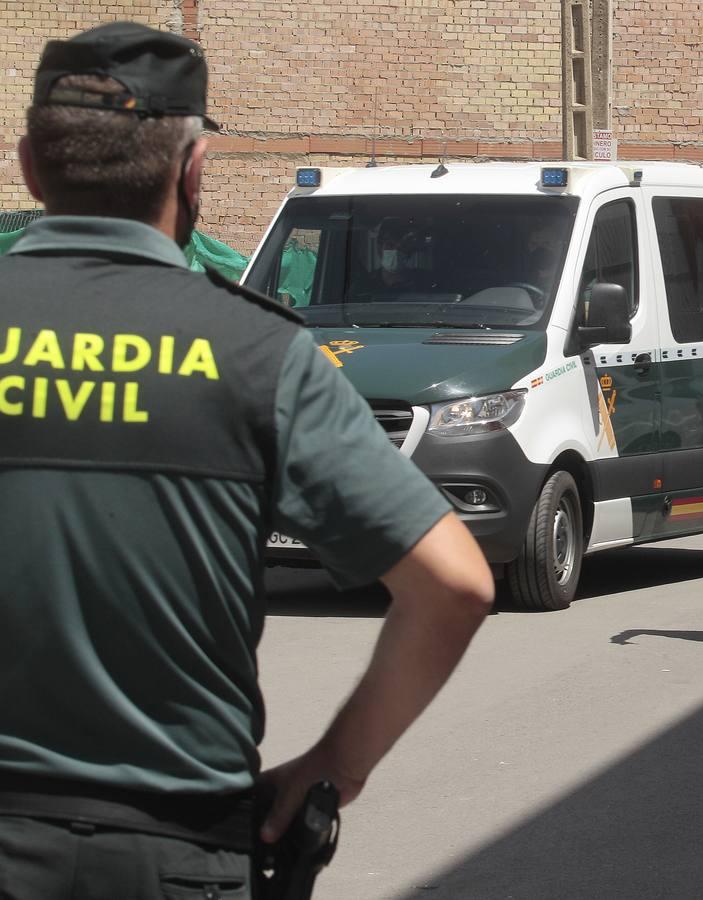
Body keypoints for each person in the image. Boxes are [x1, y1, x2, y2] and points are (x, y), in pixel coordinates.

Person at [0, 21, 494, 898]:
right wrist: (338, 764)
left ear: (31, 164)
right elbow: (454, 582)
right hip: (177, 852)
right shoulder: (256, 354)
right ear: (191, 174)